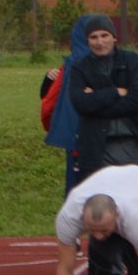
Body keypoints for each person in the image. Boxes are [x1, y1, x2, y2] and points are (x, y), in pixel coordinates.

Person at [66, 14, 138, 187]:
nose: (100, 42)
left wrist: (95, 99)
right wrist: (115, 91)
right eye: (94, 37)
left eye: (104, 35)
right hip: (96, 147)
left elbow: (137, 101)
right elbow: (80, 104)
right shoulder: (79, 67)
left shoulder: (132, 61)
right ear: (87, 41)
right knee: (101, 204)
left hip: (133, 143)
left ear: (114, 37)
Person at [40, 14, 96, 196]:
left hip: (77, 138)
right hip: (113, 141)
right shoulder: (122, 63)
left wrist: (54, 126)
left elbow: (49, 103)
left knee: (78, 193)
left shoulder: (72, 66)